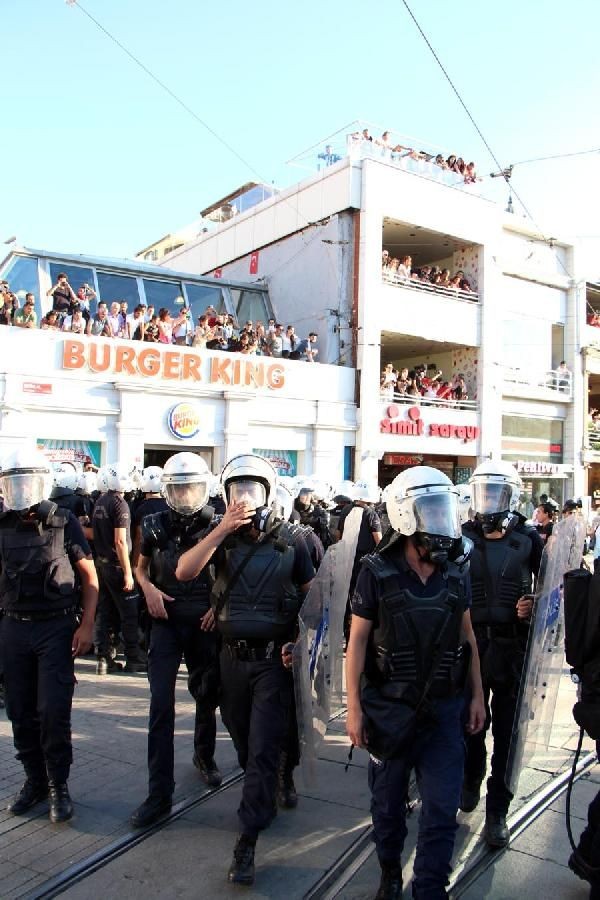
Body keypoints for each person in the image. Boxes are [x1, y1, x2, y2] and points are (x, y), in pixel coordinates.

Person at [346, 466, 485, 900]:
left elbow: (467, 635)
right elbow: (357, 643)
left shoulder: (455, 571)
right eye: (431, 512)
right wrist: (354, 709)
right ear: (406, 517)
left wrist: (477, 694)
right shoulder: (376, 571)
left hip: (444, 711)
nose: (442, 523)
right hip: (390, 710)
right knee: (387, 810)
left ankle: (430, 889)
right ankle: (390, 870)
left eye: (444, 511)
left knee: (441, 811)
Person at [176, 454, 314, 886]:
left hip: (274, 661)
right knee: (242, 742)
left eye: (252, 491)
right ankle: (274, 775)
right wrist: (222, 527)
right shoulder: (219, 539)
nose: (245, 500)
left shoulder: (294, 541)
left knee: (260, 751)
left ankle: (248, 839)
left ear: (269, 494)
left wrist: (301, 642)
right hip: (230, 661)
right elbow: (184, 571)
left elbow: (316, 604)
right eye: (237, 491)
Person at [0, 447, 98, 822]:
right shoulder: (2, 523)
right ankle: (34, 781)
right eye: (15, 483)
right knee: (20, 712)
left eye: (28, 482)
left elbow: (89, 578)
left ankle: (59, 785)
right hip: (14, 627)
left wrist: (87, 625)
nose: (22, 492)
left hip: (55, 627)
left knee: (54, 712)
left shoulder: (64, 521)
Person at [131, 453, 222, 828]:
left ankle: (204, 755)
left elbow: (230, 571)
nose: (185, 495)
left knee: (207, 694)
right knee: (160, 705)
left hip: (203, 620)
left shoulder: (217, 523)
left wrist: (218, 604)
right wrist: (148, 587)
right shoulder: (152, 523)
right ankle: (159, 792)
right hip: (165, 620)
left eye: (191, 488)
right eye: (179, 488)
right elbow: (140, 566)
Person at [461, 460, 543, 847]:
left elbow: (557, 589)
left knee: (507, 736)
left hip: (513, 647)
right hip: (472, 645)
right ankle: (471, 777)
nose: (489, 501)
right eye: (484, 493)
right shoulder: (462, 536)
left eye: (496, 493)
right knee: (470, 726)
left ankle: (498, 810)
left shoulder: (529, 539)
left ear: (511, 497)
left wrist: (535, 602)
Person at [92, 461, 147, 675]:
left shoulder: (100, 501)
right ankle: (133, 657)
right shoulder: (119, 503)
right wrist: (127, 573)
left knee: (105, 612)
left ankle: (103, 658)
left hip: (103, 564)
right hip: (116, 566)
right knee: (129, 613)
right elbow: (121, 541)